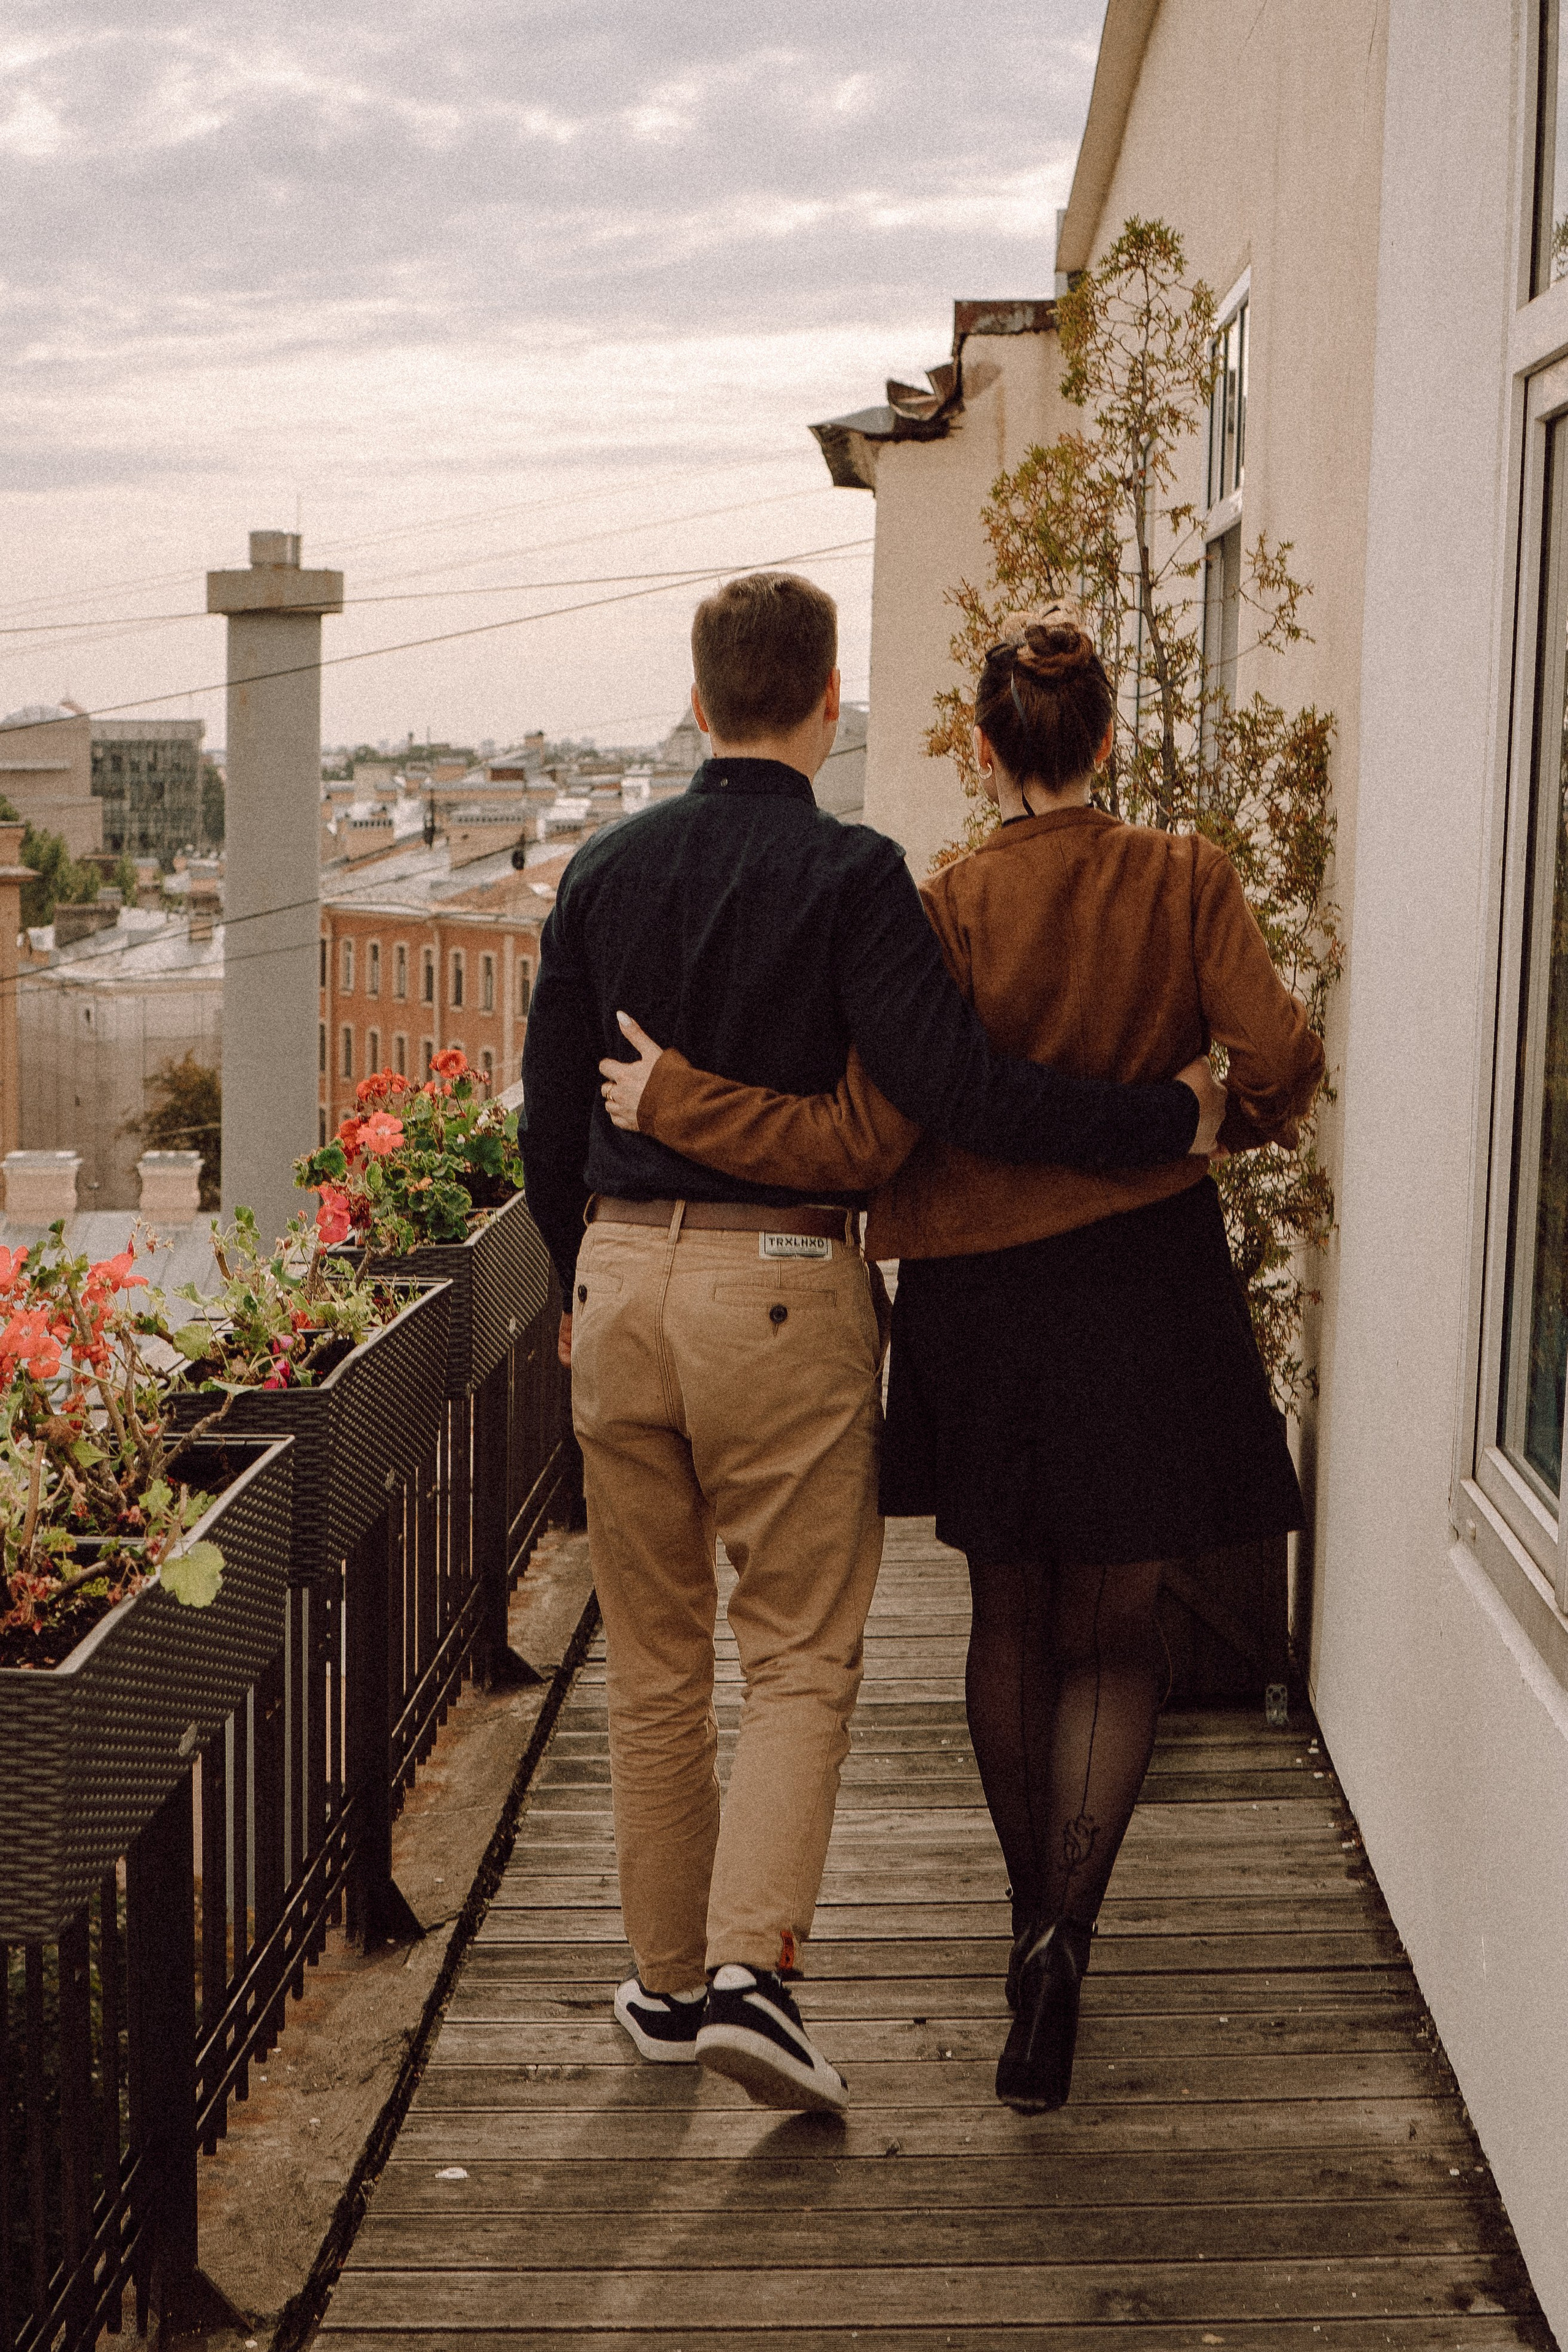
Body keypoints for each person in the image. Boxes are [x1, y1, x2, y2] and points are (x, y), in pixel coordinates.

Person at [596, 612, 1324, 2114]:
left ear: (977, 750)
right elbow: (1280, 1053)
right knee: (1117, 1625)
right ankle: (1065, 1935)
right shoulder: (1184, 881)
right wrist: (1210, 1122)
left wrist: (675, 1106)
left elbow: (882, 1125)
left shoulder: (940, 909)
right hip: (1143, 1284)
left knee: (1007, 1615)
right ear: (1107, 739)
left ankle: (1018, 1923)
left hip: (979, 1300)